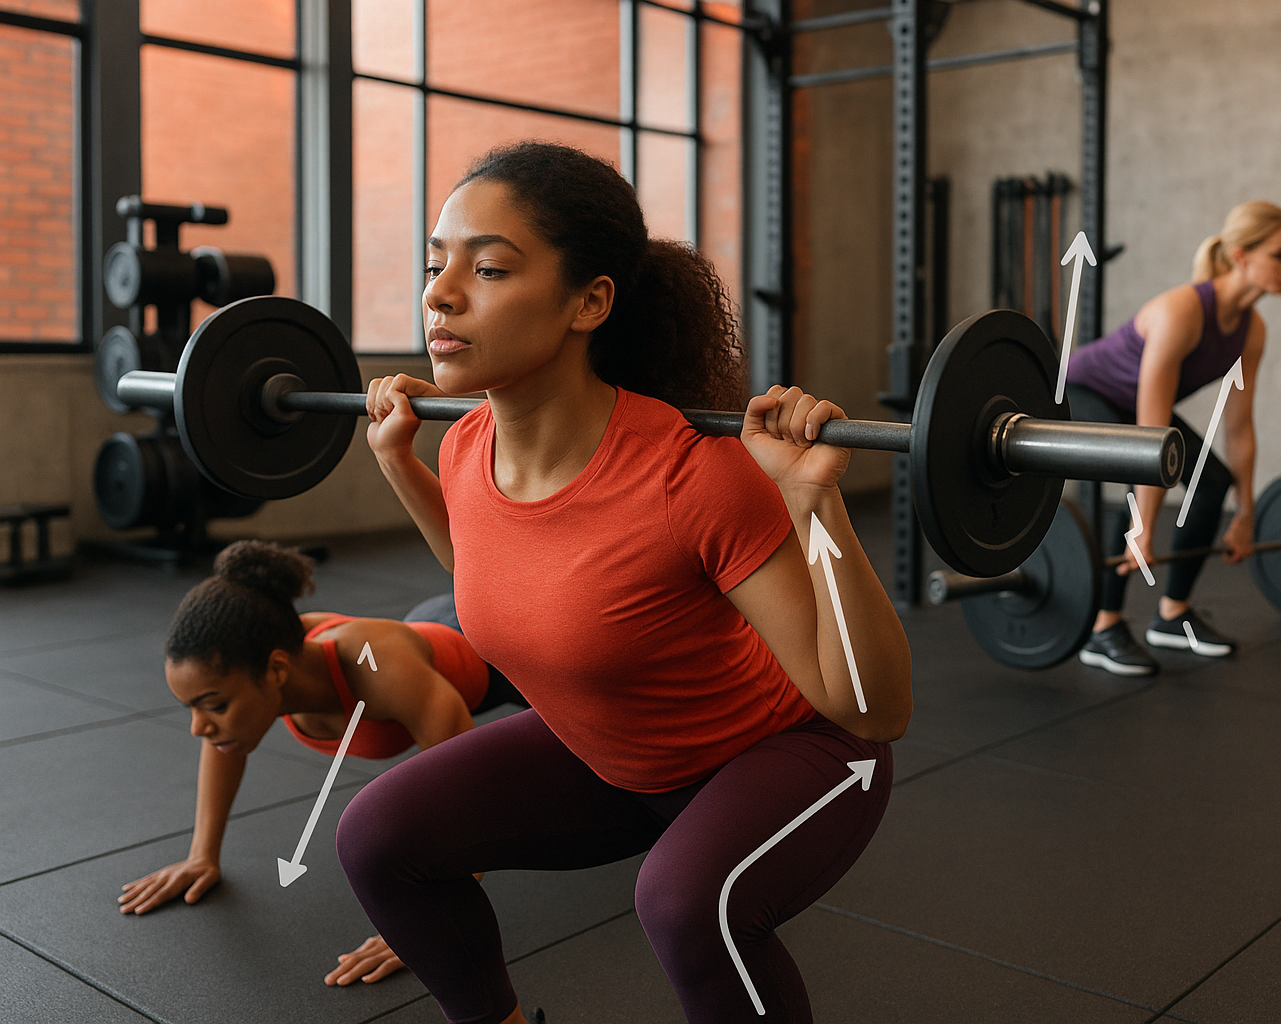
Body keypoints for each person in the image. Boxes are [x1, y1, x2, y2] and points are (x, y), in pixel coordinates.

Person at [341, 141, 912, 1024]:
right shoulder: (463, 447)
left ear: (590, 301)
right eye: (434, 262)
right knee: (379, 837)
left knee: (687, 904)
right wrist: (400, 466)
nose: (440, 293)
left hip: (796, 757)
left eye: (487, 267)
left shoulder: (690, 474)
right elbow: (501, 577)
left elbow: (867, 710)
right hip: (619, 764)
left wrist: (813, 504)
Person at [118, 540, 524, 986]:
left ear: (275, 670)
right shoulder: (274, 654)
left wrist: (429, 920)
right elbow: (220, 744)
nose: (200, 727)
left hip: (504, 647)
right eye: (191, 708)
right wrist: (201, 857)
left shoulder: (379, 670)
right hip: (430, 625)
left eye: (212, 705)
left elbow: (473, 798)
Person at [1064, 200, 1281, 676]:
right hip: (1078, 391)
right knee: (1141, 481)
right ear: (1240, 255)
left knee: (1212, 481)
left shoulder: (1252, 331)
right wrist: (1145, 526)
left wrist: (1247, 511)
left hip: (1132, 404)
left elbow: (1238, 426)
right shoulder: (1182, 311)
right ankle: (1102, 626)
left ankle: (1172, 614)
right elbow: (1152, 439)